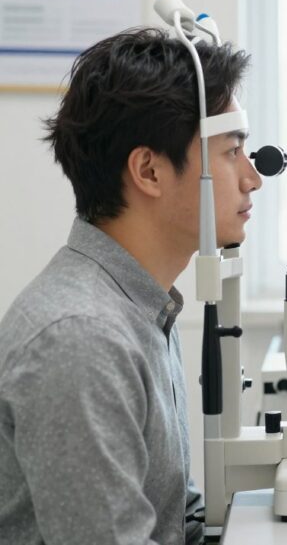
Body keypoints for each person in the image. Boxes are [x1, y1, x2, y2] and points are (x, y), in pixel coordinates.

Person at [0, 28, 260, 544]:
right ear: (149, 170)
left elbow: (175, 518)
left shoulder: (141, 306)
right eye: (231, 153)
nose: (252, 178)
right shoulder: (81, 340)